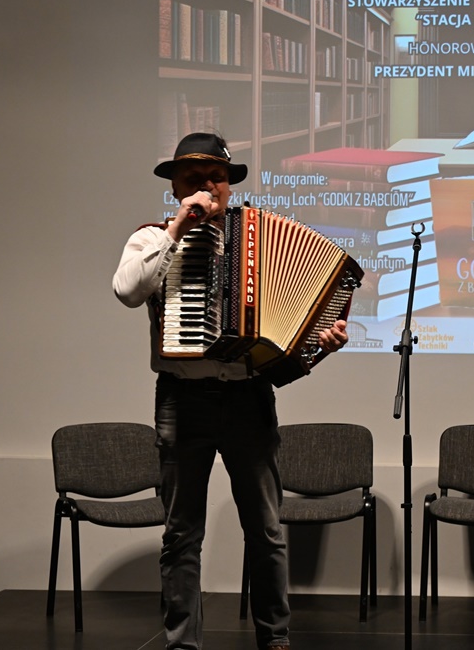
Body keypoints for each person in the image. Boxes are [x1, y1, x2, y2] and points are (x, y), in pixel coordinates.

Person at [113, 132, 349, 650]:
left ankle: (275, 639)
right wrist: (178, 228)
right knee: (181, 533)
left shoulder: (256, 242)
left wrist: (322, 342)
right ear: (175, 187)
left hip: (248, 399)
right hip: (182, 400)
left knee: (266, 530)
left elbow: (285, 338)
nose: (207, 187)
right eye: (193, 179)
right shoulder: (152, 238)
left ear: (229, 184)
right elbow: (128, 291)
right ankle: (182, 645)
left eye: (216, 178)